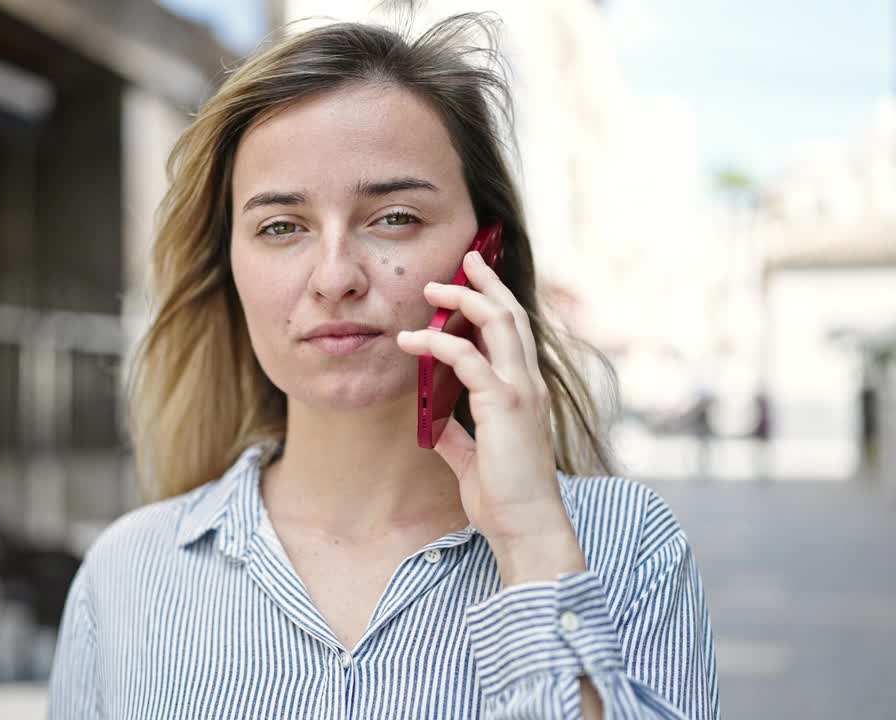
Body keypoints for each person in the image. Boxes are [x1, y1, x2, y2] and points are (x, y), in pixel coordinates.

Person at [49, 14, 718, 719]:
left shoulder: (626, 547)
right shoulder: (125, 575)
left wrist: (533, 549)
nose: (335, 276)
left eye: (394, 217)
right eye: (282, 227)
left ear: (485, 254)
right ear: (230, 268)